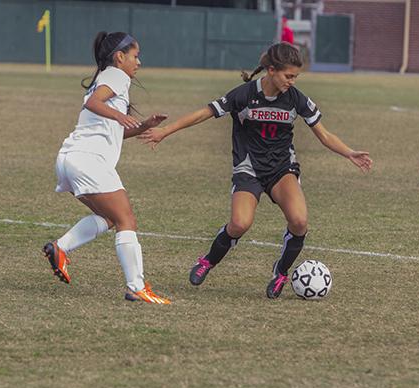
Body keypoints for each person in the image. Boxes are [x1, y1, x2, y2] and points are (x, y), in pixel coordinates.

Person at [139, 42, 372, 299]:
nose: (292, 81)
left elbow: (324, 134)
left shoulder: (296, 99)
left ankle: (281, 271)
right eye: (288, 75)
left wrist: (349, 152)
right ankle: (208, 261)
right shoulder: (244, 94)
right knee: (239, 223)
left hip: (282, 168)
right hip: (249, 167)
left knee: (299, 221)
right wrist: (165, 131)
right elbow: (202, 114)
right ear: (271, 70)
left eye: (296, 76)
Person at [43, 31, 171, 304]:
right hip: (88, 161)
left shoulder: (109, 78)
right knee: (127, 221)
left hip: (71, 160)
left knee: (111, 218)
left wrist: (143, 126)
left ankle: (60, 248)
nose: (139, 62)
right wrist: (120, 114)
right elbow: (94, 103)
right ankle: (137, 287)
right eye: (135, 56)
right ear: (119, 56)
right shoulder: (116, 75)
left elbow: (113, 130)